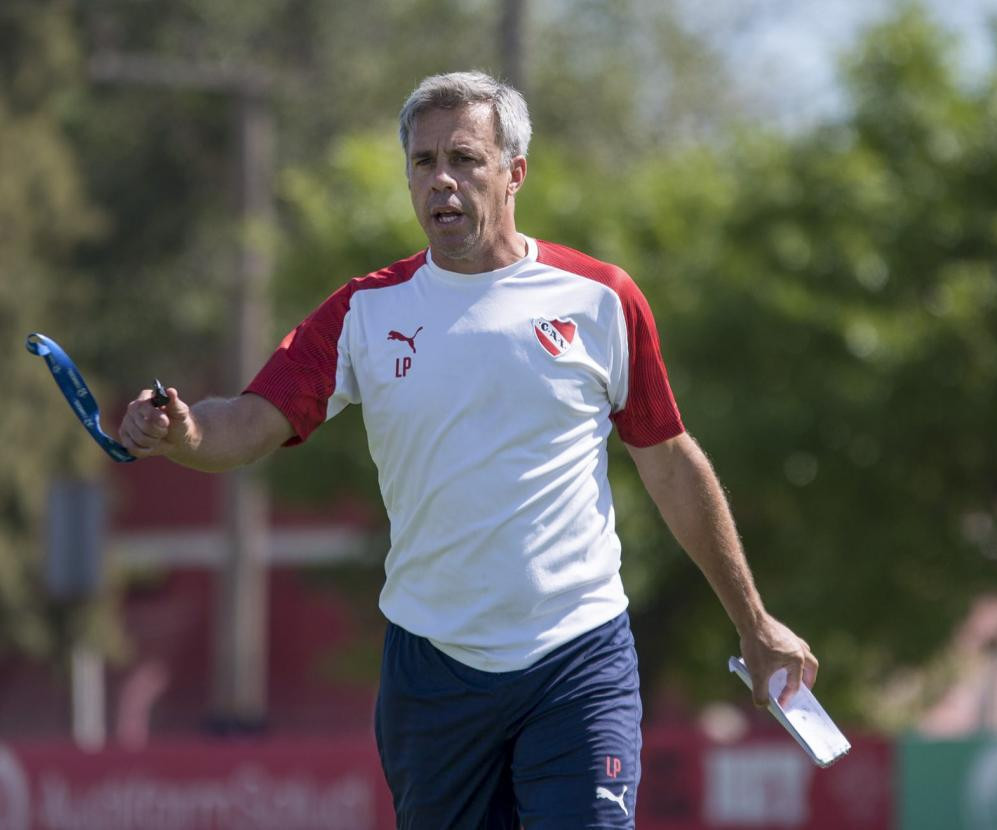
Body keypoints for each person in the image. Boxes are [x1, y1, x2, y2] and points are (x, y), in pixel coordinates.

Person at [119, 70, 817, 829]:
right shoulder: (363, 311)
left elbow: (671, 464)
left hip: (577, 657)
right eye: (423, 163)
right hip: (433, 674)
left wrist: (754, 618)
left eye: (464, 159)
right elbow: (249, 421)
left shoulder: (601, 300)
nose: (441, 181)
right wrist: (182, 433)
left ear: (513, 173)